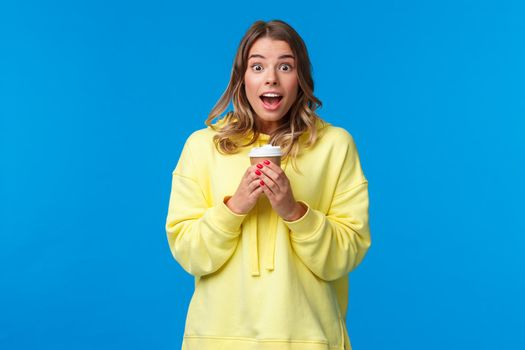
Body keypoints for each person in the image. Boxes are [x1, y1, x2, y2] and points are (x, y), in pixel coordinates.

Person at [165, 19, 371, 350]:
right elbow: (190, 254)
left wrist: (294, 212)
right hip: (217, 340)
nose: (271, 77)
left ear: (300, 78)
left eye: (285, 66)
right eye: (257, 66)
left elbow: (344, 256)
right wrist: (234, 209)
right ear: (242, 78)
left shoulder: (336, 145)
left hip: (309, 340)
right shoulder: (202, 147)